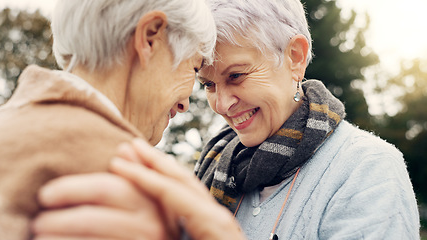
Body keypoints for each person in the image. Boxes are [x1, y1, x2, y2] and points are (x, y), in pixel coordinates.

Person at [33, 0, 421, 239]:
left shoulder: (365, 170)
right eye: (207, 84)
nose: (221, 103)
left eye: (236, 76)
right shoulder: (212, 169)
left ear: (295, 57)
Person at [0, 0, 220, 239]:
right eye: (195, 68)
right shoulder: (121, 173)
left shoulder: (3, 133)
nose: (185, 104)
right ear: (150, 38)